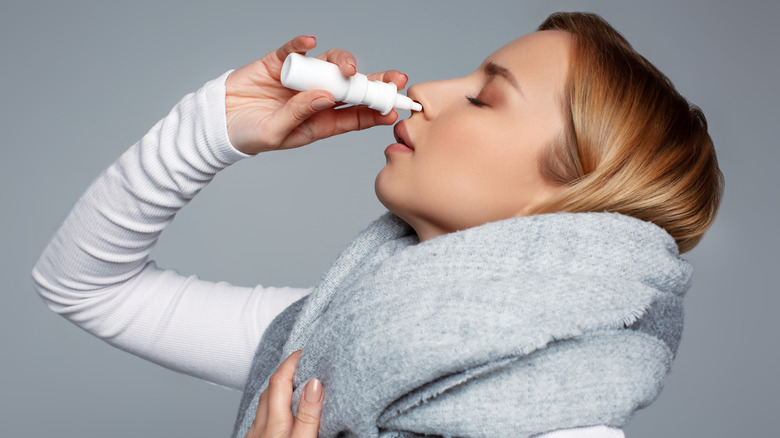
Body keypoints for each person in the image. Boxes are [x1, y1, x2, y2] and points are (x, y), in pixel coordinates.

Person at [32, 11, 723, 438]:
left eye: (483, 98)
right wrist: (214, 127)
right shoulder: (329, 339)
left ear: (570, 196)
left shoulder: (565, 427)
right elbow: (84, 286)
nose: (423, 92)